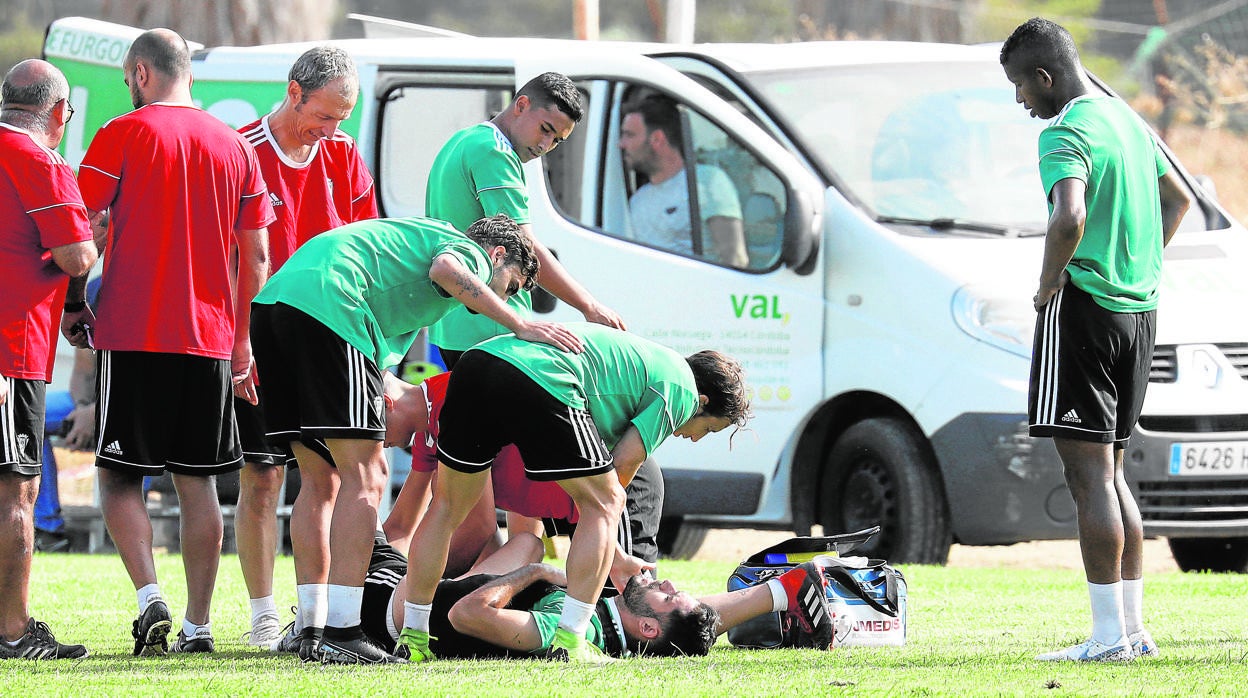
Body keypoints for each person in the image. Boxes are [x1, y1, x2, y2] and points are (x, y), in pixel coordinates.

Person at [250, 213, 580, 664]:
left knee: (320, 480)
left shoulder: (415, 276)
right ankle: (341, 632)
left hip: (275, 305)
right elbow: (447, 269)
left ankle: (311, 628)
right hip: (329, 306)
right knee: (368, 476)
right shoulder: (464, 251)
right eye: (513, 285)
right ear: (497, 255)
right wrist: (519, 326)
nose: (507, 298)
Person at [75, 28, 275, 656]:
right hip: (210, 340)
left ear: (139, 73)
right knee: (199, 484)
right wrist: (243, 340)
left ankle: (148, 597)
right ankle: (198, 624)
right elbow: (259, 256)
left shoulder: (119, 134)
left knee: (118, 478)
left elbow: (82, 232)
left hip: (132, 332)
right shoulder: (236, 146)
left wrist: (73, 302)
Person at [1000, 18, 1191, 663]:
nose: (1021, 102)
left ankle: (1108, 637)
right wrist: (1140, 264)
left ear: (1045, 77)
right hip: (1140, 313)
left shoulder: (1066, 130)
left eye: (1020, 87)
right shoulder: (1129, 121)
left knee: (1088, 480)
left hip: (1082, 311)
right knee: (1111, 473)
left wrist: (1048, 284)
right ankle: (1132, 633)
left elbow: (1070, 216)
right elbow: (1179, 199)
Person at [399, 323, 751, 664]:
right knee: (610, 499)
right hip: (538, 377)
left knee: (446, 507)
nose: (694, 436)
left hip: (477, 363)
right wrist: (611, 547)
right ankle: (570, 640)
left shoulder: (655, 362)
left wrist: (613, 552)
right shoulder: (682, 390)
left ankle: (412, 636)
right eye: (709, 427)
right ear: (703, 401)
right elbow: (620, 473)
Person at [234, 45, 378, 649]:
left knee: (332, 479)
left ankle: (315, 616)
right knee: (263, 477)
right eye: (326, 115)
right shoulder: (240, 150)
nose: (334, 129)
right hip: (261, 335)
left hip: (330, 337)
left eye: (343, 118)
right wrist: (238, 341)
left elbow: (366, 245)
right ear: (294, 92)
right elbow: (231, 256)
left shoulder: (343, 155)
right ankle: (265, 614)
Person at [426, 71, 625, 370]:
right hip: (491, 326)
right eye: (545, 129)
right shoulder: (495, 153)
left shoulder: (464, 139)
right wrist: (589, 305)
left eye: (557, 140)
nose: (546, 145)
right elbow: (523, 245)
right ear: (521, 105)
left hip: (455, 324)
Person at [359, 534, 833, 660]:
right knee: (523, 536)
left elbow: (467, 614)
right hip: (427, 581)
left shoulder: (571, 633)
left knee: (362, 487)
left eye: (669, 597)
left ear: (647, 628)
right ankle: (776, 591)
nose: (666, 583)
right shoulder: (612, 618)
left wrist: (542, 570)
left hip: (386, 602)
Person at [0, 58, 97, 660]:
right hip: (10, 350)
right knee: (17, 490)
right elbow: (75, 254)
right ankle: (12, 631)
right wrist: (96, 235)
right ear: (59, 113)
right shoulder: (38, 158)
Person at [619, 94, 747, 268]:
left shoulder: (708, 181)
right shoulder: (637, 201)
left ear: (657, 139)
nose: (622, 144)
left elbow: (734, 257)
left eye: (629, 135)